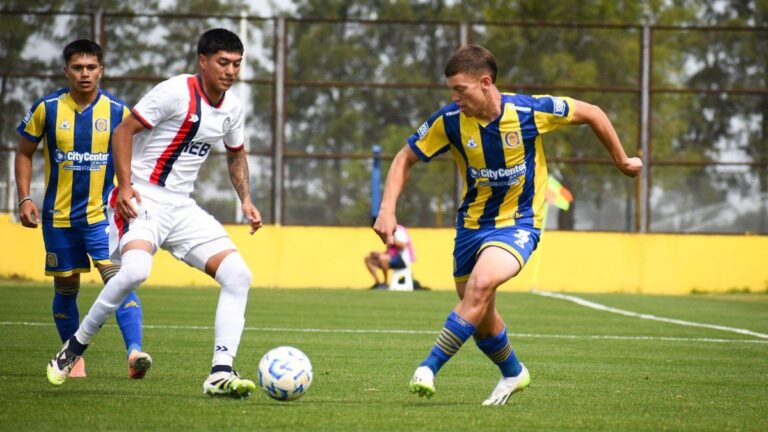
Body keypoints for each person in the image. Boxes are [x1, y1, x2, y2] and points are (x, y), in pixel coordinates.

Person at [373, 45, 642, 405]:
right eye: (451, 90)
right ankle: (514, 373)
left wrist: (621, 160)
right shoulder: (450, 121)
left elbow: (591, 112)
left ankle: (428, 367)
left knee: (481, 285)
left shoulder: (529, 111)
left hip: (519, 223)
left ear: (485, 83)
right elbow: (405, 157)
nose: (454, 98)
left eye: (460, 90)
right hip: (471, 227)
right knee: (481, 318)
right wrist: (387, 208)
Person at [45, 28, 263, 398]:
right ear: (203, 61)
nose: (230, 71)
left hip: (181, 206)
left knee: (238, 276)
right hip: (142, 196)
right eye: (223, 62)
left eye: (236, 64)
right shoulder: (175, 91)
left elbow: (236, 153)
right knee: (136, 271)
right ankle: (74, 348)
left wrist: (246, 199)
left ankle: (220, 372)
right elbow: (123, 132)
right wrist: (125, 186)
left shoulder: (233, 108)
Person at [16, 39, 150, 380]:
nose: (85, 74)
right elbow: (23, 153)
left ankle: (135, 352)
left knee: (120, 280)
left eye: (91, 67)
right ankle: (73, 359)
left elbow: (140, 155)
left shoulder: (119, 112)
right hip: (58, 219)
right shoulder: (46, 109)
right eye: (78, 67)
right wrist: (24, 197)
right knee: (66, 288)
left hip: (101, 218)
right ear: (66, 71)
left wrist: (130, 189)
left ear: (101, 71)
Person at [365, 224, 414, 289]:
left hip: (402, 259)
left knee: (383, 258)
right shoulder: (388, 232)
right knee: (368, 259)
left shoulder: (399, 231)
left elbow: (403, 247)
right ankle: (378, 283)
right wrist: (378, 254)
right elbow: (389, 251)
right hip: (391, 257)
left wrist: (391, 238)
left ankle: (386, 283)